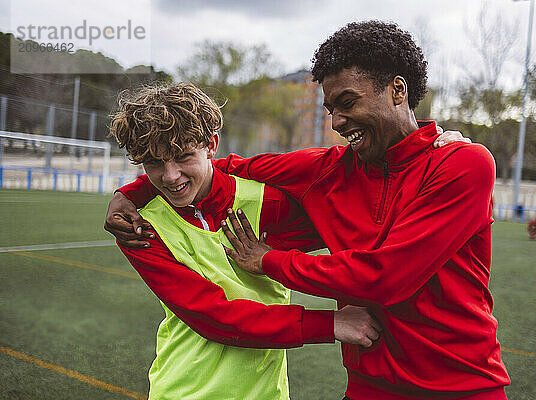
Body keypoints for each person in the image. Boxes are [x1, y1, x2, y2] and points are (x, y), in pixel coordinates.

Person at [106, 21, 510, 400]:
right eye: (330, 108)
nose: (336, 121)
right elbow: (229, 166)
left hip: (463, 384)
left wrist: (270, 261)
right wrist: (133, 191)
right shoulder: (327, 171)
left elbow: (384, 279)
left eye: (347, 102)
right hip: (367, 384)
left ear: (397, 91)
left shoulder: (461, 163)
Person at [108, 82, 383, 400]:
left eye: (183, 156)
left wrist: (437, 147)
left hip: (267, 393)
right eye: (154, 163)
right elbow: (213, 315)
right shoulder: (140, 225)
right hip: (182, 391)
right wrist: (329, 323)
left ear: (211, 144)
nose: (170, 176)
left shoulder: (268, 201)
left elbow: (356, 200)